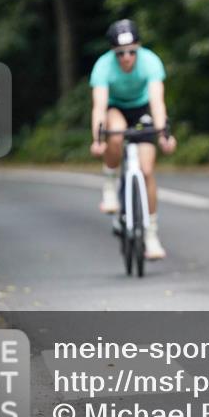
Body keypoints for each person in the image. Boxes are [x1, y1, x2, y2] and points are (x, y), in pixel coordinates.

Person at [89, 19, 177, 259]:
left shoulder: (150, 62)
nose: (126, 58)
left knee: (147, 170)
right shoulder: (103, 67)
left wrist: (164, 135)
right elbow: (99, 106)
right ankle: (109, 185)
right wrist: (98, 139)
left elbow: (157, 102)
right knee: (115, 133)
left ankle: (151, 234)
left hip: (141, 109)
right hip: (115, 108)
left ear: (138, 48)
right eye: (120, 54)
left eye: (131, 52)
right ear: (112, 53)